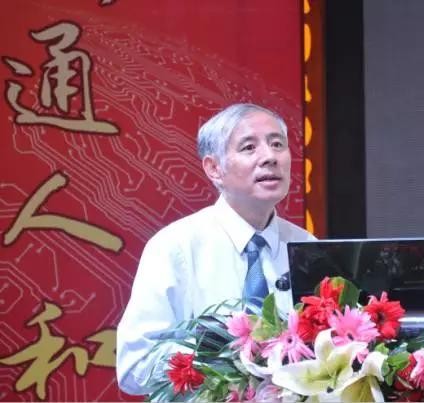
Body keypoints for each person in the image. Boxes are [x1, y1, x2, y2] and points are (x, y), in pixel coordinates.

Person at [116, 103, 316, 395]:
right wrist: (221, 354)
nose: (270, 157)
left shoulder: (307, 247)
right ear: (214, 168)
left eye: (277, 144)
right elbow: (135, 367)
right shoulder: (175, 248)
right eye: (249, 147)